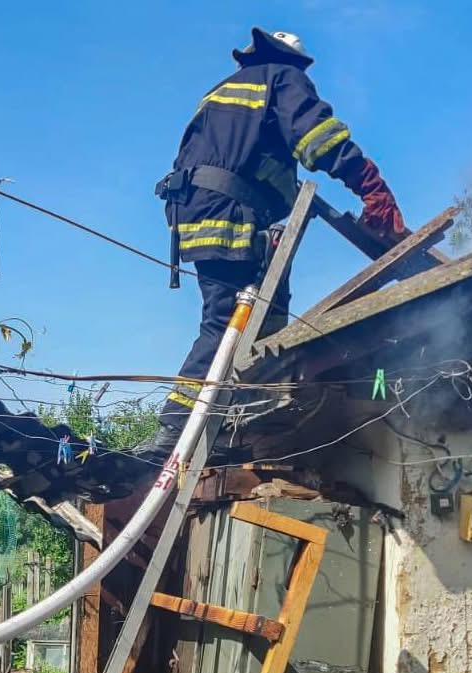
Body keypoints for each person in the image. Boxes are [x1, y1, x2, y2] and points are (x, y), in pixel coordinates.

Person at [143, 26, 408, 461]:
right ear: (294, 63)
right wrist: (371, 186)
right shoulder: (281, 78)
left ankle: (238, 420)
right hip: (231, 210)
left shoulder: (222, 92)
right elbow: (318, 139)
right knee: (231, 322)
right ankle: (180, 429)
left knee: (254, 315)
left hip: (193, 212)